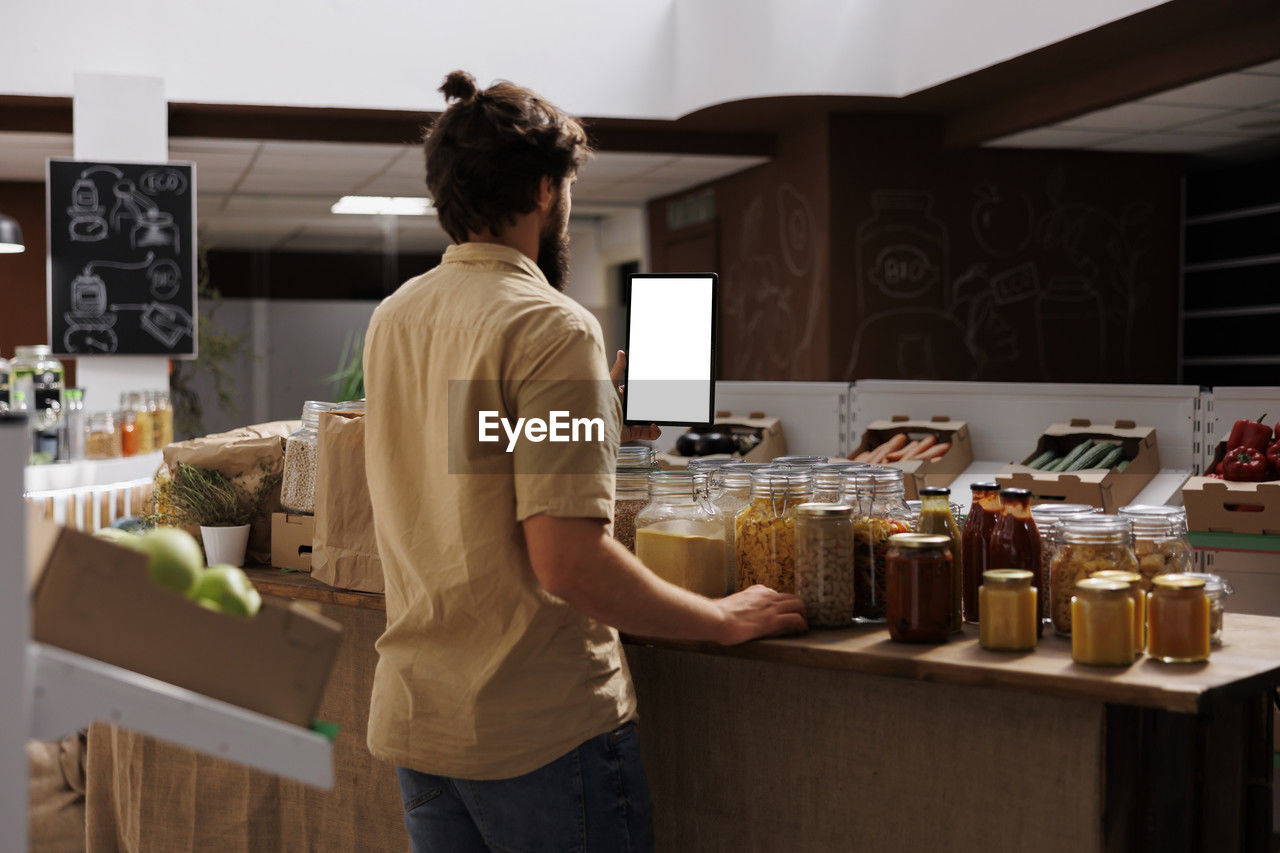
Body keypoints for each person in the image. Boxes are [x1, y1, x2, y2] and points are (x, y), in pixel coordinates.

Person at [362, 70, 807, 853]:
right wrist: (717, 620)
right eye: (565, 188)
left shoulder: (395, 317)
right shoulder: (550, 325)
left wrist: (588, 424)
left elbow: (459, 452)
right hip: (537, 730)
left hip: (421, 720)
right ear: (543, 190)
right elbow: (567, 563)